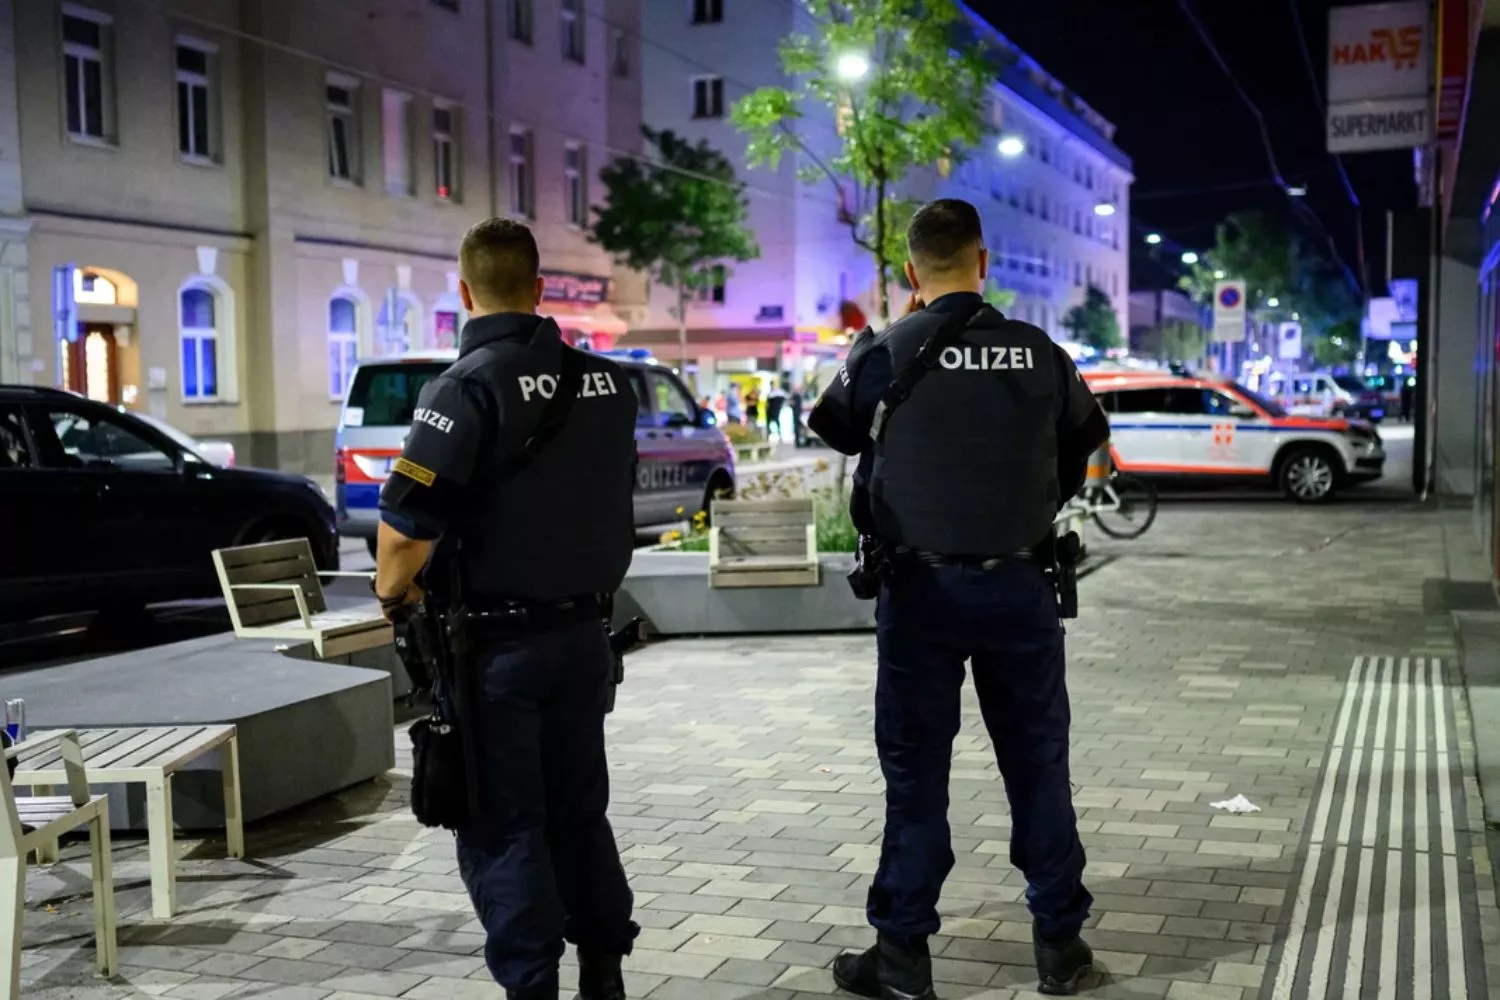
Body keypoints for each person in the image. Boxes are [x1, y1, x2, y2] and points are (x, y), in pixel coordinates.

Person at [808, 198, 1110, 999]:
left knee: (915, 775)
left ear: (911, 272)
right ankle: (1060, 946)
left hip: (920, 592)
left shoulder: (883, 350)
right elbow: (1085, 438)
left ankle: (903, 956)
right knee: (1039, 764)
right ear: (984, 261)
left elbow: (832, 427)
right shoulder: (1039, 351)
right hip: (1020, 584)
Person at [375, 218, 639, 1000]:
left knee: (507, 822)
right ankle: (604, 974)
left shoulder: (462, 388)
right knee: (579, 811)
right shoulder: (608, 381)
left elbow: (400, 541)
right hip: (584, 639)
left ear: (464, 292)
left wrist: (398, 597)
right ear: (539, 289)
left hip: (496, 655)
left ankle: (531, 985)